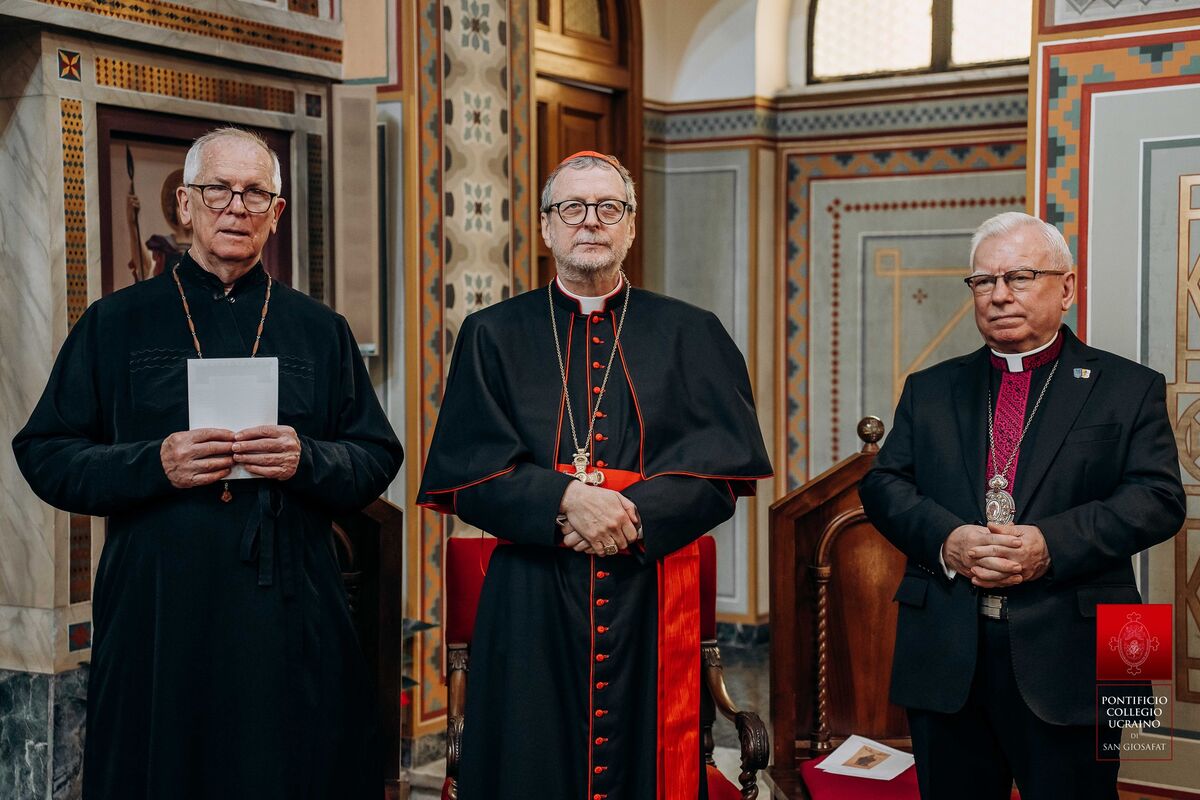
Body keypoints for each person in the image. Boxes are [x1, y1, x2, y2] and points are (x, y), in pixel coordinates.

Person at [13, 127, 403, 800]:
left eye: (255, 193)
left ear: (276, 214)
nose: (236, 207)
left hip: (286, 609)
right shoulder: (117, 323)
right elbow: (45, 454)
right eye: (218, 189)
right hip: (160, 610)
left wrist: (305, 457)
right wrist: (153, 463)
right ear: (186, 206)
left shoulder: (319, 329)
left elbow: (375, 456)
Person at [417, 151, 771, 799]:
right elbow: (465, 474)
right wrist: (565, 502)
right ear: (548, 227)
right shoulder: (491, 334)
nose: (590, 223)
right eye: (572, 208)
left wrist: (630, 514)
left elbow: (724, 471)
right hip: (530, 596)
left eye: (608, 208)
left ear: (630, 227)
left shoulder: (692, 333)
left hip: (652, 590)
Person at [859, 211, 1185, 800]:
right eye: (984, 281)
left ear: (1066, 287)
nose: (999, 295)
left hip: (1090, 638)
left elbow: (1160, 500)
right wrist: (946, 539)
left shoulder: (1130, 385)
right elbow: (884, 486)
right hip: (947, 641)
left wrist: (1050, 546)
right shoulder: (929, 387)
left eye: (1020, 276)